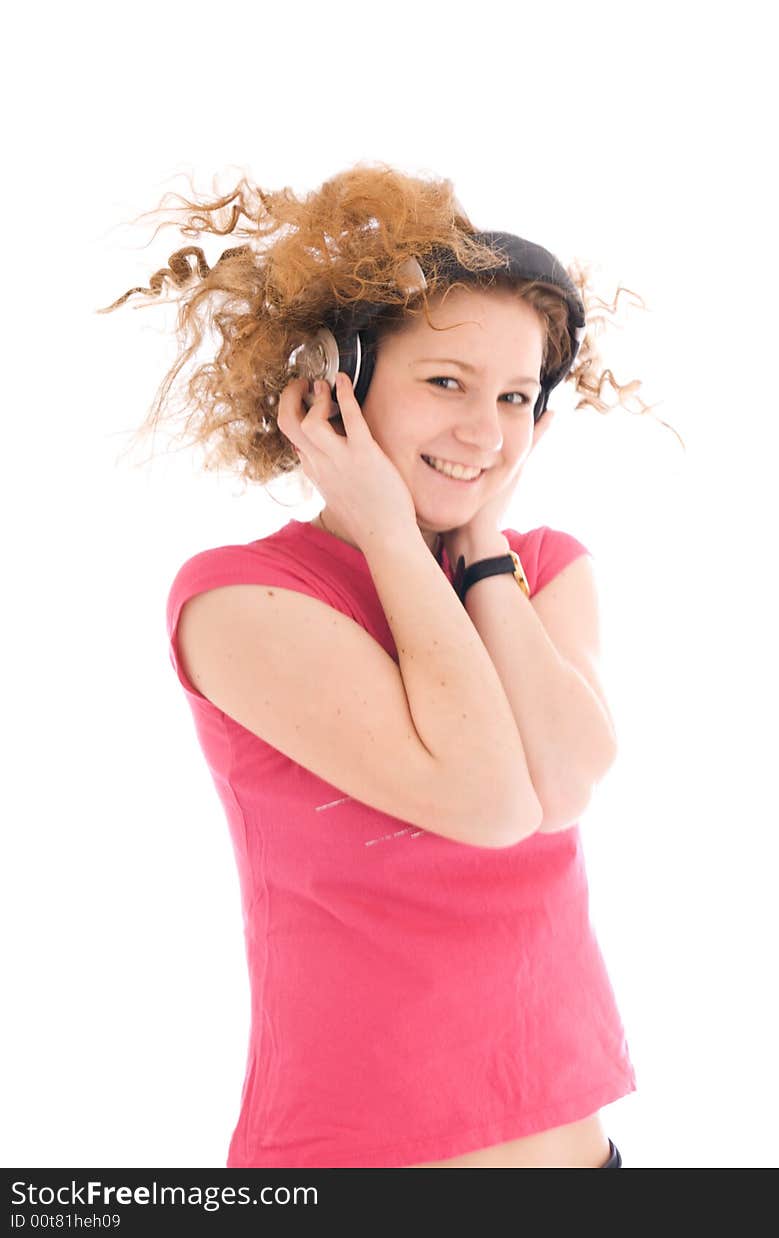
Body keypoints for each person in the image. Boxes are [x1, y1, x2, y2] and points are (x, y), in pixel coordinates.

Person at [101, 162, 656, 1169]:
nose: (484, 431)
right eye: (445, 382)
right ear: (339, 390)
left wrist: (480, 547)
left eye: (516, 397)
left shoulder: (545, 570)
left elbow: (564, 782)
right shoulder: (242, 600)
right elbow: (488, 799)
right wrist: (394, 539)